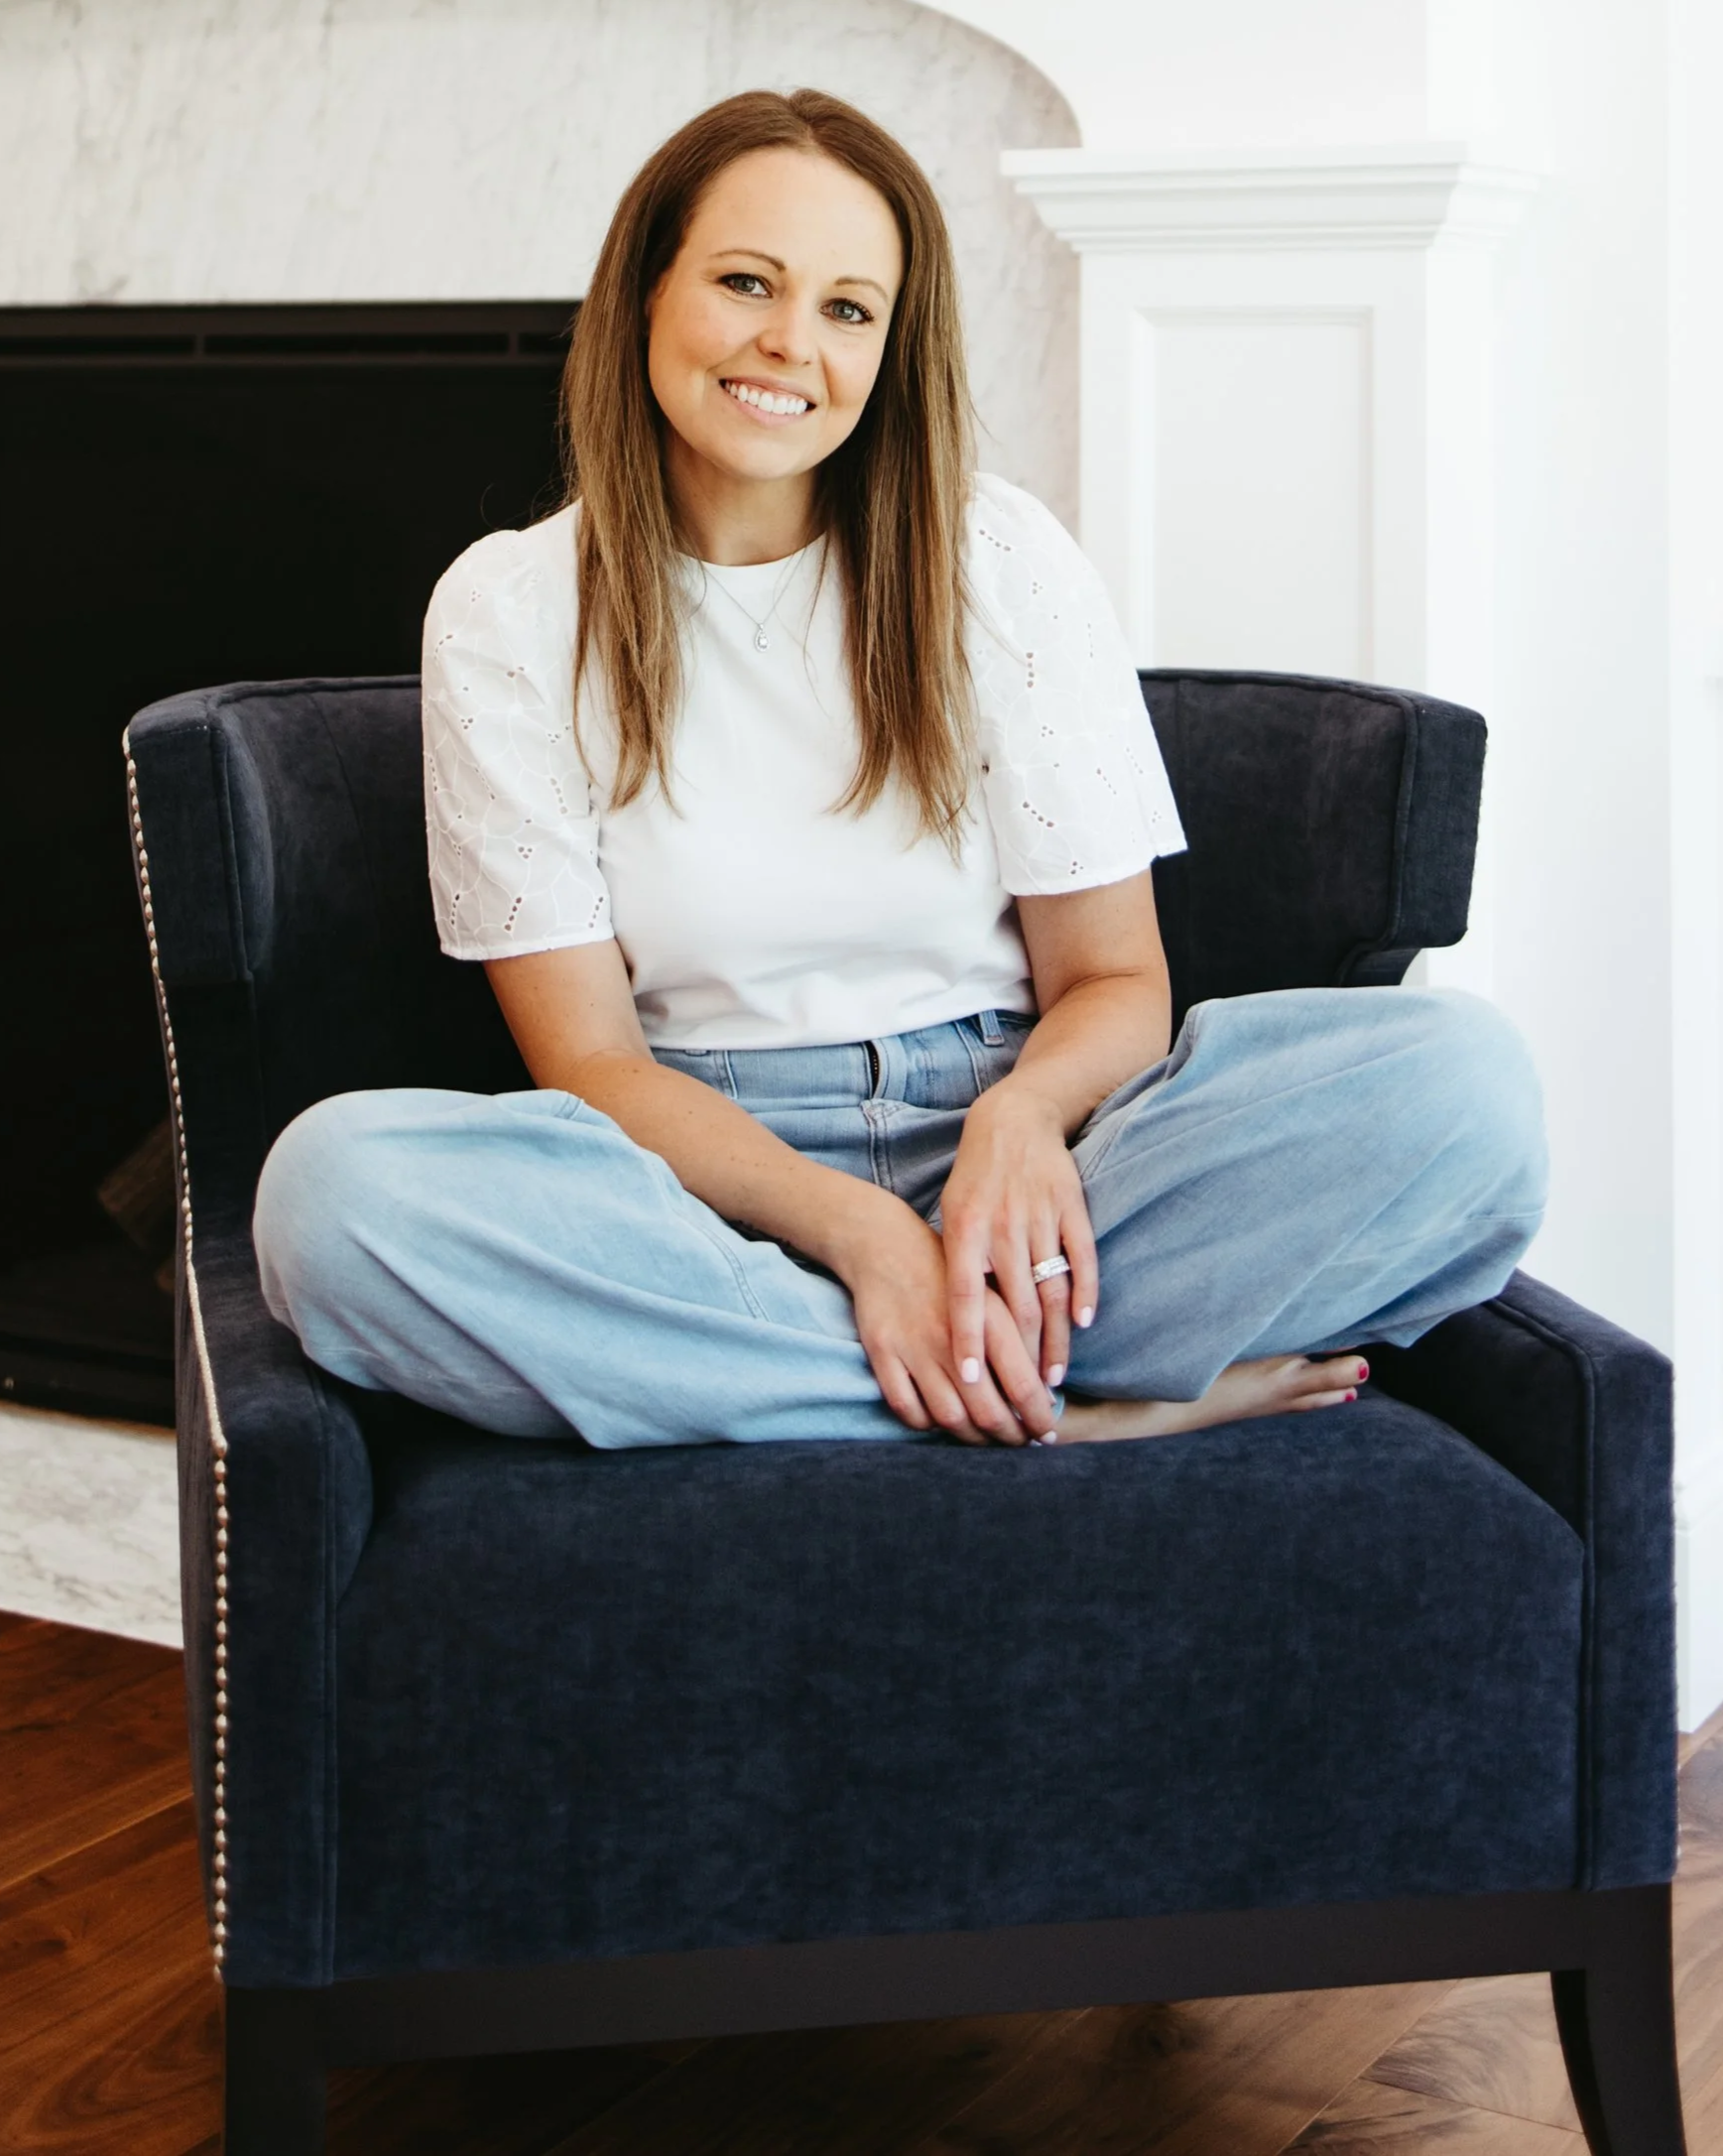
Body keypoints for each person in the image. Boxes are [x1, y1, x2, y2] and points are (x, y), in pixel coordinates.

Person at [254, 88, 1546, 1451]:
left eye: (847, 309)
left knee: (1464, 1089)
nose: (788, 343)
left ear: (890, 346)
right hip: (701, 1190)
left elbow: (1114, 984)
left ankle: (836, 1378)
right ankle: (1058, 1402)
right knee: (332, 1199)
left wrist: (1022, 1128)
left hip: (1037, 1161)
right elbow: (590, 1060)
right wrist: (862, 1232)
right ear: (644, 292)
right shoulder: (509, 607)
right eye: (746, 281)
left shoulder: (1001, 558)